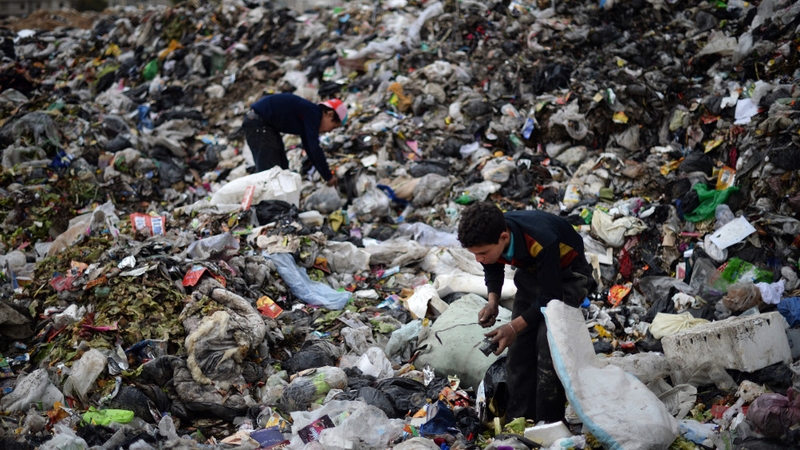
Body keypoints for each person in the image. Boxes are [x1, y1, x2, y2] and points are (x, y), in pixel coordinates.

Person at [456, 202, 597, 423]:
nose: (479, 259)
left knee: (548, 346)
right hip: (533, 274)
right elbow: (493, 266)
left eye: (482, 253)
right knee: (519, 350)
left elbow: (551, 296)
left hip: (568, 276)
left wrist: (513, 327)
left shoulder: (541, 239)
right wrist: (493, 301)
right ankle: (519, 420)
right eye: (474, 254)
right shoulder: (492, 236)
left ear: (504, 237)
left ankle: (549, 423)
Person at [242, 93, 347, 186]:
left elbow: (309, 148)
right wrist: (328, 176)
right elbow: (314, 148)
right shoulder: (313, 114)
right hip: (258, 123)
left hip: (265, 125)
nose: (329, 131)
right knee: (270, 173)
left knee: (282, 170)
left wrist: (326, 176)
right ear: (329, 114)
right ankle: (270, 205)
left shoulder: (311, 115)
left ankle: (280, 205)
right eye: (333, 126)